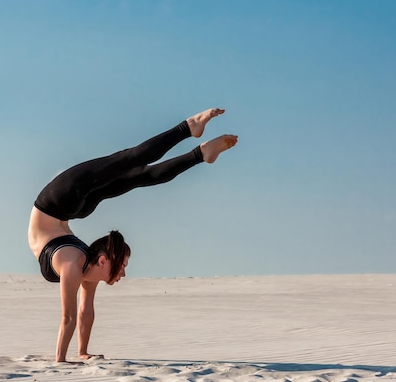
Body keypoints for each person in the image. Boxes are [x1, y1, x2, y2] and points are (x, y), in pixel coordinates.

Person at [27, 108, 238, 363]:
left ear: (103, 260)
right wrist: (79, 354)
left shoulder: (74, 266)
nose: (124, 273)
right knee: (139, 174)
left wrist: (65, 358)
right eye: (124, 265)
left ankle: (189, 130)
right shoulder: (83, 265)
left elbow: (72, 316)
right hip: (74, 208)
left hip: (56, 198)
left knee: (131, 162)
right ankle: (201, 153)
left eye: (122, 266)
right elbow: (83, 313)